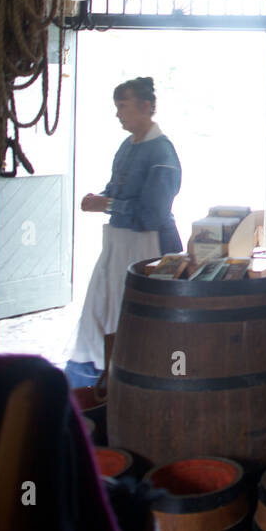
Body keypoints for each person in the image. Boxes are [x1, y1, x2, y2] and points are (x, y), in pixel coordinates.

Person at [64, 77, 181, 389]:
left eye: (123, 106)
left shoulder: (162, 153)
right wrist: (100, 199)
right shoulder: (127, 147)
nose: (118, 114)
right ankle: (96, 380)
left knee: (139, 319)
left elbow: (153, 213)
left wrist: (109, 204)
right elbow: (118, 190)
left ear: (145, 107)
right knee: (102, 311)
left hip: (148, 246)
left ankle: (134, 379)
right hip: (119, 244)